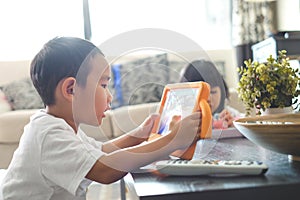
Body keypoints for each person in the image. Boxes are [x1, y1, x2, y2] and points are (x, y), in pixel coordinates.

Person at [0, 37, 202, 200]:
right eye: (104, 86)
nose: (110, 96)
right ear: (71, 90)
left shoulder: (58, 125)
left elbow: (101, 151)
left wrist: (138, 135)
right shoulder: (48, 134)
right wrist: (172, 141)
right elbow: (104, 170)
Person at [179, 59, 241, 128]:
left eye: (213, 92)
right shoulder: (180, 117)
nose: (208, 98)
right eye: (201, 93)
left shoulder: (228, 114)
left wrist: (235, 126)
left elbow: (244, 121)